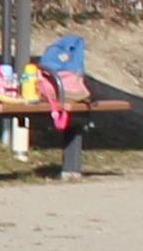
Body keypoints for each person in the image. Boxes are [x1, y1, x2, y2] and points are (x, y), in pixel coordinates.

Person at [32, 34, 98, 181]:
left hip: (53, 93)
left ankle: (71, 167)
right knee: (77, 111)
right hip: (67, 93)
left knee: (75, 114)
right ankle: (71, 169)